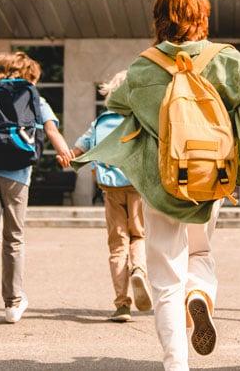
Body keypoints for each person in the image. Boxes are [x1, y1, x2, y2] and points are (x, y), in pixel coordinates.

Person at [74, 0, 240, 371]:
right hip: (210, 177)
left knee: (165, 276)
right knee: (200, 251)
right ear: (203, 17)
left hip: (160, 180)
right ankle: (199, 292)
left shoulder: (143, 65)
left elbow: (116, 100)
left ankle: (175, 363)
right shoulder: (224, 58)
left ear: (159, 18)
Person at [0, 51, 74, 329]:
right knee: (13, 238)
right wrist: (65, 155)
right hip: (17, 177)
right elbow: (51, 132)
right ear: (31, 77)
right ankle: (13, 303)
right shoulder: (37, 99)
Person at [72, 70, 153, 323]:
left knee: (117, 244)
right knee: (138, 235)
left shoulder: (100, 122)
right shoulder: (139, 119)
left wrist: (67, 156)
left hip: (110, 189)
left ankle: (122, 304)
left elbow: (78, 149)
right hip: (137, 185)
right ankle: (138, 268)